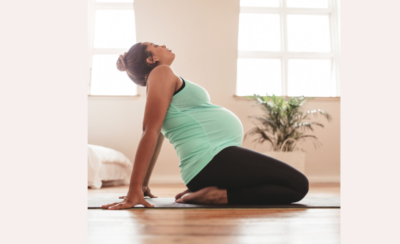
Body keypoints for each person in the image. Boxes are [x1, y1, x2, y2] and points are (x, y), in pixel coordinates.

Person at [101, 42, 309, 210]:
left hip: (213, 162)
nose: (163, 44)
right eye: (156, 45)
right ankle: (218, 196)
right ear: (151, 59)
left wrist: (144, 185)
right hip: (212, 159)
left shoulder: (161, 80)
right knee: (298, 185)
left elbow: (157, 136)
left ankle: (212, 192)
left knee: (292, 184)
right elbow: (150, 132)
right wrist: (134, 189)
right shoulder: (161, 72)